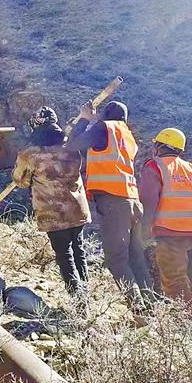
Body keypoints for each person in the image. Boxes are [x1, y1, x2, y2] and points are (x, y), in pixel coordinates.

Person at [67, 100, 153, 309]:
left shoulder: (104, 128)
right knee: (136, 258)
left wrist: (84, 120)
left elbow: (73, 145)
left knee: (116, 259)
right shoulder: (127, 135)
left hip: (114, 202)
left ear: (104, 116)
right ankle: (151, 308)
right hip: (132, 201)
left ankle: (139, 310)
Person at [12, 107, 91, 296]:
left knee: (64, 254)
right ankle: (85, 291)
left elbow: (20, 181)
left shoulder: (29, 154)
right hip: (77, 208)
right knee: (78, 250)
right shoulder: (71, 145)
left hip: (52, 213)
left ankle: (78, 299)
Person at [139, 128, 192, 318]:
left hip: (170, 234)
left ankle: (188, 325)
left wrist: (143, 234)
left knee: (174, 280)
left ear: (159, 146)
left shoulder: (154, 166)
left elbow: (148, 202)